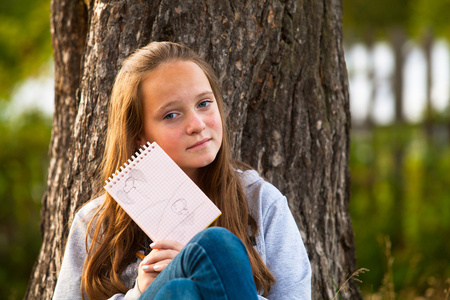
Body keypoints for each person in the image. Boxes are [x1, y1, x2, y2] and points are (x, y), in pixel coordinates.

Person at [53, 41, 311, 300]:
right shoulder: (96, 223)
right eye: (171, 115)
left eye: (204, 104)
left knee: (197, 270)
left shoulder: (260, 202)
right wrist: (142, 292)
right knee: (198, 267)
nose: (197, 124)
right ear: (140, 135)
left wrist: (207, 272)